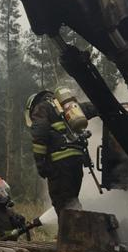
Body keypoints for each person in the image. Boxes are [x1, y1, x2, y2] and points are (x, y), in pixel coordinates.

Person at [25, 87, 97, 218]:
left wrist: (41, 164)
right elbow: (90, 108)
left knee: (62, 202)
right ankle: (78, 231)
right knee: (72, 201)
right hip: (76, 160)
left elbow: (39, 133)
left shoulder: (41, 108)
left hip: (59, 164)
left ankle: (72, 235)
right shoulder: (66, 107)